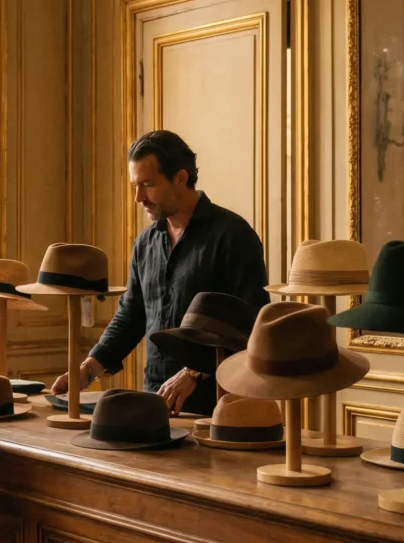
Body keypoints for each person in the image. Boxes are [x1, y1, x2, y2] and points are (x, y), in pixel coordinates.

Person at [51, 130, 269, 417]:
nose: (138, 197)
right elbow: (130, 316)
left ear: (180, 177)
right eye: (135, 186)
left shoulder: (232, 235)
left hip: (219, 409)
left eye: (147, 185)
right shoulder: (145, 242)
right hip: (154, 403)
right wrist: (88, 368)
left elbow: (254, 326)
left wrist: (193, 373)